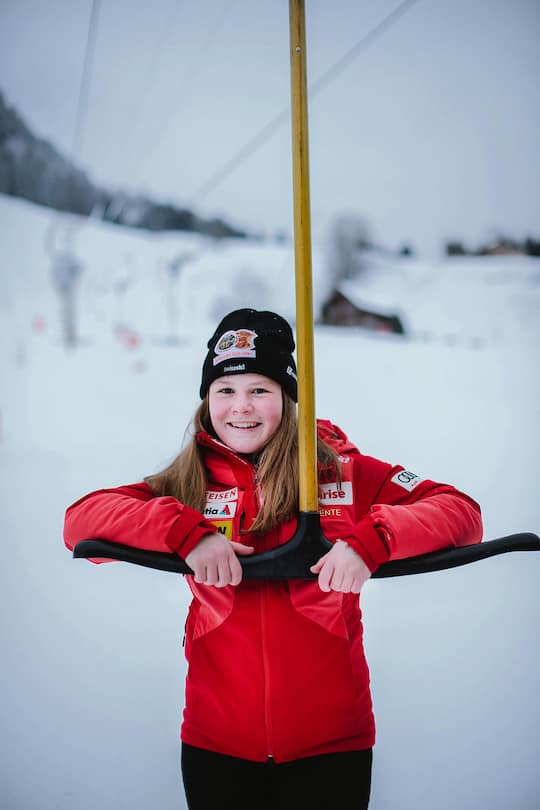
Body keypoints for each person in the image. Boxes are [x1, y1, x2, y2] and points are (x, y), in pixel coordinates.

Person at [64, 308, 483, 810]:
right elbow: (82, 520)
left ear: (288, 398)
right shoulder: (189, 483)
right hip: (216, 745)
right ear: (206, 401)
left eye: (260, 389)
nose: (241, 407)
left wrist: (373, 541)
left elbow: (460, 511)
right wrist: (184, 532)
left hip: (332, 748)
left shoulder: (343, 475)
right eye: (225, 390)